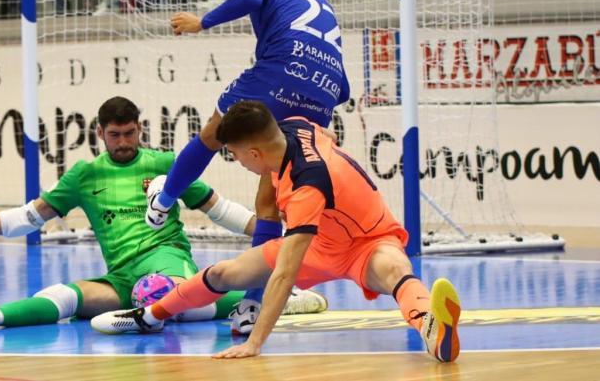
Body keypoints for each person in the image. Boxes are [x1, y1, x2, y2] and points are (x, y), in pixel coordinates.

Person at [93, 102, 462, 363]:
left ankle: (433, 331)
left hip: (367, 243)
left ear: (255, 153)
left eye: (236, 155)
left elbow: (284, 274)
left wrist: (255, 342)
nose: (238, 162)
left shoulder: (307, 187)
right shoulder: (296, 126)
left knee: (396, 270)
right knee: (223, 273)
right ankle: (150, 315)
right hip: (323, 242)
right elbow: (327, 135)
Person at [0, 97, 327, 331]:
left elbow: (219, 210)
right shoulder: (84, 175)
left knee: (164, 293)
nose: (123, 141)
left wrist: (285, 234)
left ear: (139, 129)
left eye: (129, 133)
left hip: (167, 262)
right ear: (100, 133)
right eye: (114, 135)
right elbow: (29, 217)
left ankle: (277, 297)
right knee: (65, 297)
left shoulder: (166, 163)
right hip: (121, 278)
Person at [143, 0, 350, 326]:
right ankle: (251, 308)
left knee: (214, 134)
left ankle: (164, 199)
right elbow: (345, 89)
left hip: (278, 73)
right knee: (268, 200)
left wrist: (202, 22)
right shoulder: (320, 0)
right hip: (322, 95)